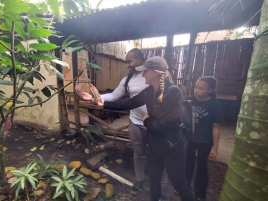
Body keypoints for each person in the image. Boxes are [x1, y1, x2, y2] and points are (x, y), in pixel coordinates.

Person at [95, 56, 194, 201]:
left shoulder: (174, 92)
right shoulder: (149, 91)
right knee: (153, 182)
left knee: (180, 186)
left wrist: (146, 121)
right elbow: (127, 104)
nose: (142, 74)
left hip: (173, 147)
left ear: (155, 73)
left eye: (145, 71)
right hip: (154, 145)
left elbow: (163, 126)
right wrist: (101, 103)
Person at [80, 49, 169, 199]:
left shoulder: (160, 77)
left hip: (156, 125)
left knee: (161, 155)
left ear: (140, 61)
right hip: (135, 121)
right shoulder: (128, 79)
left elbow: (170, 98)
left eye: (129, 61)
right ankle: (139, 179)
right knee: (138, 153)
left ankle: (163, 186)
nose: (127, 65)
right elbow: (116, 96)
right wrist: (95, 97)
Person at [185, 76, 223, 201]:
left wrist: (215, 148)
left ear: (210, 90)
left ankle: (200, 192)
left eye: (201, 88)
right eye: (196, 87)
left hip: (205, 142)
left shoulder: (215, 106)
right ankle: (184, 187)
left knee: (202, 166)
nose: (197, 90)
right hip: (189, 139)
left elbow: (216, 128)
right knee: (187, 164)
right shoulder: (189, 101)